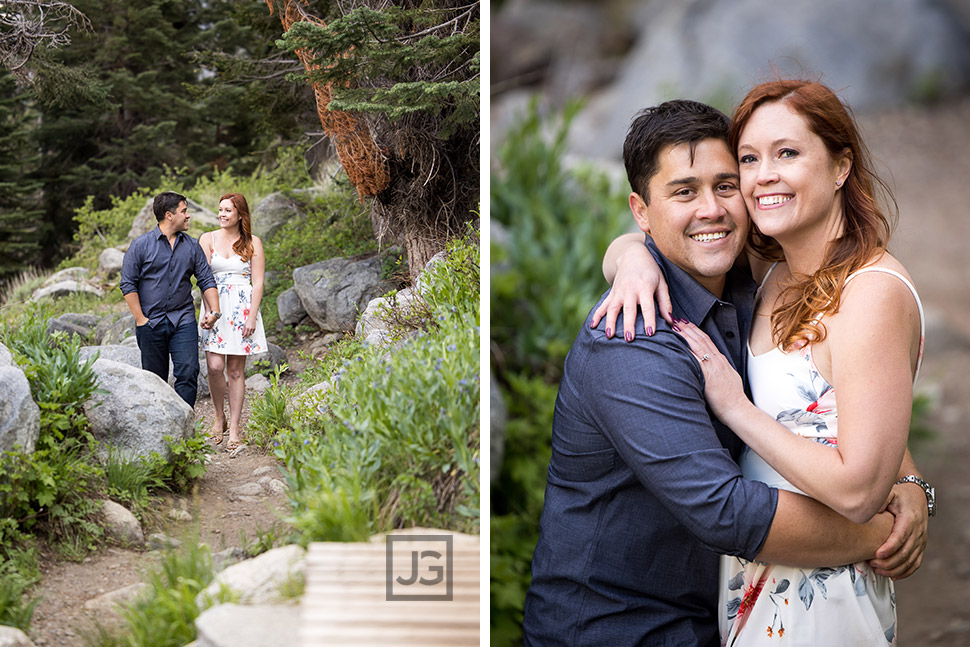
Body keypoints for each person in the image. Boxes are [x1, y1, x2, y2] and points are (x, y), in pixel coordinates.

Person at [521, 99, 928, 647]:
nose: (711, 209)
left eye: (726, 184)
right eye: (684, 191)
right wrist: (882, 532)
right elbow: (726, 512)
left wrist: (906, 481)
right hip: (618, 628)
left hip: (733, 610)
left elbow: (844, 394)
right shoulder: (633, 340)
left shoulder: (749, 282)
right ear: (642, 212)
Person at [121, 191, 221, 407]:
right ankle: (160, 430)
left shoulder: (192, 246)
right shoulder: (140, 245)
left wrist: (214, 311)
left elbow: (206, 279)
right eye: (184, 211)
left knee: (188, 372)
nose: (188, 216)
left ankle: (185, 429)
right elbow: (128, 283)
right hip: (150, 322)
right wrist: (140, 319)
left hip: (182, 319)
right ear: (169, 215)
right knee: (154, 380)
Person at [198, 192, 267, 451]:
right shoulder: (207, 239)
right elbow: (202, 279)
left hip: (241, 309)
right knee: (215, 367)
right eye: (220, 210)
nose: (222, 214)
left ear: (240, 214)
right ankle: (219, 417)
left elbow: (258, 282)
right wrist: (209, 311)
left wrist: (251, 316)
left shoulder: (253, 242)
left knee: (236, 371)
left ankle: (235, 427)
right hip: (214, 307)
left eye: (228, 210)